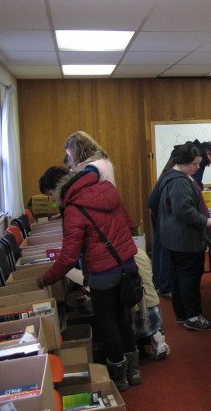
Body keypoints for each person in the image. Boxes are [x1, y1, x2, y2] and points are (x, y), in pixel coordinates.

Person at [35, 167, 141, 391]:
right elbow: (130, 225)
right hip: (126, 265)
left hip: (103, 273)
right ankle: (134, 371)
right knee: (123, 318)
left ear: (58, 188)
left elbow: (67, 258)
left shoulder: (74, 209)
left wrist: (44, 279)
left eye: (51, 195)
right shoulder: (106, 190)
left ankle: (119, 376)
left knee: (108, 322)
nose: (53, 201)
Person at [155, 142, 211, 331]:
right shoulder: (180, 181)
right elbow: (183, 210)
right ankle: (193, 316)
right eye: (195, 164)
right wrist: (205, 221)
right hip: (185, 239)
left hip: (176, 238)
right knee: (189, 277)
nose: (198, 167)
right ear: (184, 163)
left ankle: (183, 314)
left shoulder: (174, 176)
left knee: (179, 276)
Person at [147, 153, 176, 297]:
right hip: (160, 209)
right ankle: (164, 286)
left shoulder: (169, 170)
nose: (197, 167)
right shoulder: (175, 175)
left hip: (156, 206)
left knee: (159, 246)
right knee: (165, 247)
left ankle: (158, 283)